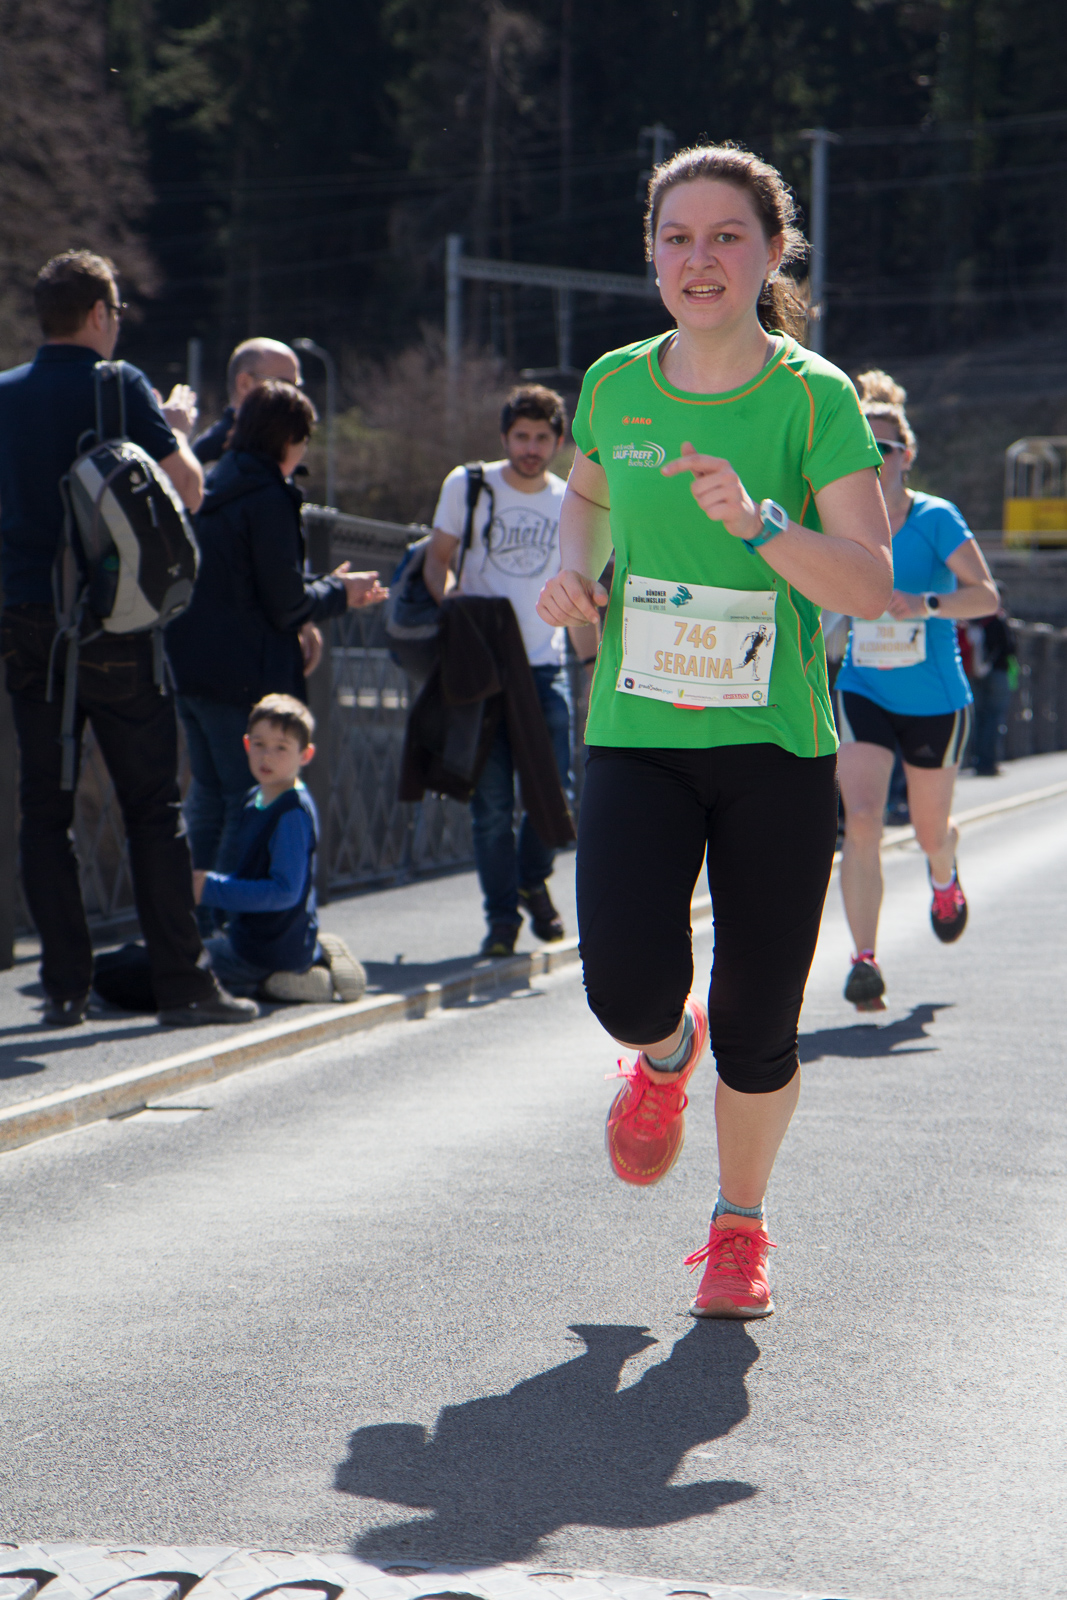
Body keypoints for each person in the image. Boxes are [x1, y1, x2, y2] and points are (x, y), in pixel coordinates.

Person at [536, 144, 893, 1319]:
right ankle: (657, 1053)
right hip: (637, 728)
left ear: (771, 251)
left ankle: (739, 1228)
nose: (700, 259)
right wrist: (569, 571)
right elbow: (584, 498)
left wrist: (759, 524)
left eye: (725, 236)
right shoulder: (614, 384)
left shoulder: (812, 397)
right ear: (650, 253)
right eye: (677, 237)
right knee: (626, 987)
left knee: (759, 1017)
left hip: (774, 750)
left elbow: (863, 582)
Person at [0, 250, 258, 1029]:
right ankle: (184, 984)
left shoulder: (4, 396)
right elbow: (190, 487)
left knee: (44, 810)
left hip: (27, 629)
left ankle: (64, 989)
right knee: (152, 807)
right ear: (102, 314)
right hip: (117, 630)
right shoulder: (121, 387)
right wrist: (171, 431)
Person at [167, 379, 386, 890]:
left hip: (190, 670)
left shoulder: (214, 484)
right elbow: (286, 604)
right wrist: (340, 592)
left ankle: (190, 932)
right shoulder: (269, 497)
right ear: (289, 439)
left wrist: (327, 586)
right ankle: (224, 935)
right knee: (247, 803)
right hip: (244, 679)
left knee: (209, 801)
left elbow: (248, 586)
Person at [834, 371, 999, 1011]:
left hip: (934, 696)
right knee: (865, 822)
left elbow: (985, 596)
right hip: (863, 687)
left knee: (931, 831)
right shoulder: (841, 517)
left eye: (889, 449)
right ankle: (865, 961)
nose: (878, 460)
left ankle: (943, 872)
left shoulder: (936, 518)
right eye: (866, 449)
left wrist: (926, 603)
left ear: (908, 455)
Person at [423, 385, 599, 958]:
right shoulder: (468, 484)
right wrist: (454, 615)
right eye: (521, 436)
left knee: (555, 792)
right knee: (491, 803)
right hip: (482, 674)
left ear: (558, 441)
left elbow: (576, 591)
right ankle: (502, 920)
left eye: (542, 437)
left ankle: (531, 878)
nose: (530, 447)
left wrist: (592, 667)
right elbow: (437, 560)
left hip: (544, 668)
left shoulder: (567, 500)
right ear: (505, 438)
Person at [192, 694, 365, 1003]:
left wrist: (211, 888)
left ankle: (288, 977)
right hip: (253, 939)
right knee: (185, 962)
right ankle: (304, 958)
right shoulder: (254, 797)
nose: (266, 757)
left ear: (305, 755)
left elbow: (285, 891)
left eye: (281, 748)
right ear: (246, 745)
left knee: (183, 973)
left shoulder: (292, 813)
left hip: (268, 950)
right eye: (259, 745)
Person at [192, 337, 302, 464]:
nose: (294, 395)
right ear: (244, 383)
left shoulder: (275, 442)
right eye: (283, 384)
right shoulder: (213, 449)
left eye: (297, 387)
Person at [964, 608, 1016, 776]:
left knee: (977, 717)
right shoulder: (998, 620)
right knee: (994, 717)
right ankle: (990, 762)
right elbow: (1010, 648)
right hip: (997, 673)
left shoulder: (970, 620)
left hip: (973, 673)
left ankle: (976, 761)